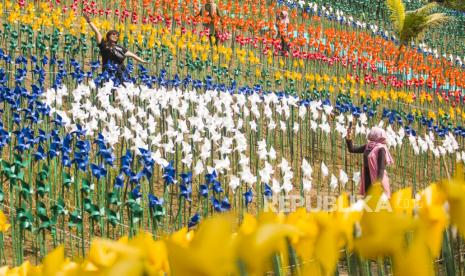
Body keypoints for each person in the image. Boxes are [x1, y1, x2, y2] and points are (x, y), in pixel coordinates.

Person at [84, 13, 147, 86]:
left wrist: (142, 60)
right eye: (113, 34)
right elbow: (97, 32)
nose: (115, 36)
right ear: (108, 35)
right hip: (108, 71)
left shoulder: (120, 48)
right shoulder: (103, 45)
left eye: (117, 35)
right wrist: (89, 21)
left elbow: (132, 55)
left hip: (121, 71)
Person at [346, 126, 393, 198]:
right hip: (367, 175)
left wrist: (378, 182)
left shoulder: (381, 149)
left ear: (376, 135)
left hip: (376, 177)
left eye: (372, 133)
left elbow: (381, 168)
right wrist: (349, 138)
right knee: (368, 198)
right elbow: (352, 149)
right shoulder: (369, 146)